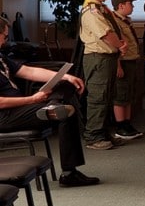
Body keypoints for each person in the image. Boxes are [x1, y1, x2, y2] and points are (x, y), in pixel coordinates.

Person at [0, 17, 98, 186]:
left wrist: (65, 76)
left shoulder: (0, 57)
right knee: (65, 113)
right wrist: (31, 99)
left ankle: (53, 107)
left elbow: (29, 72)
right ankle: (69, 173)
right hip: (5, 115)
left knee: (65, 90)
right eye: (4, 37)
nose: (5, 41)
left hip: (19, 107)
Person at [80, 0, 128, 150]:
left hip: (106, 58)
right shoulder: (91, 11)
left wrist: (120, 45)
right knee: (98, 98)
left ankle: (103, 132)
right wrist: (120, 45)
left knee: (107, 97)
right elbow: (106, 33)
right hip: (97, 58)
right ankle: (93, 136)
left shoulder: (100, 9)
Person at [111, 0, 144, 139]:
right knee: (121, 95)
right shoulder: (114, 22)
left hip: (131, 60)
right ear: (121, 5)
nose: (133, 6)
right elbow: (115, 47)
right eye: (130, 3)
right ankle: (120, 126)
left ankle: (127, 123)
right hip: (122, 62)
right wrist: (117, 65)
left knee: (129, 94)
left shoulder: (126, 20)